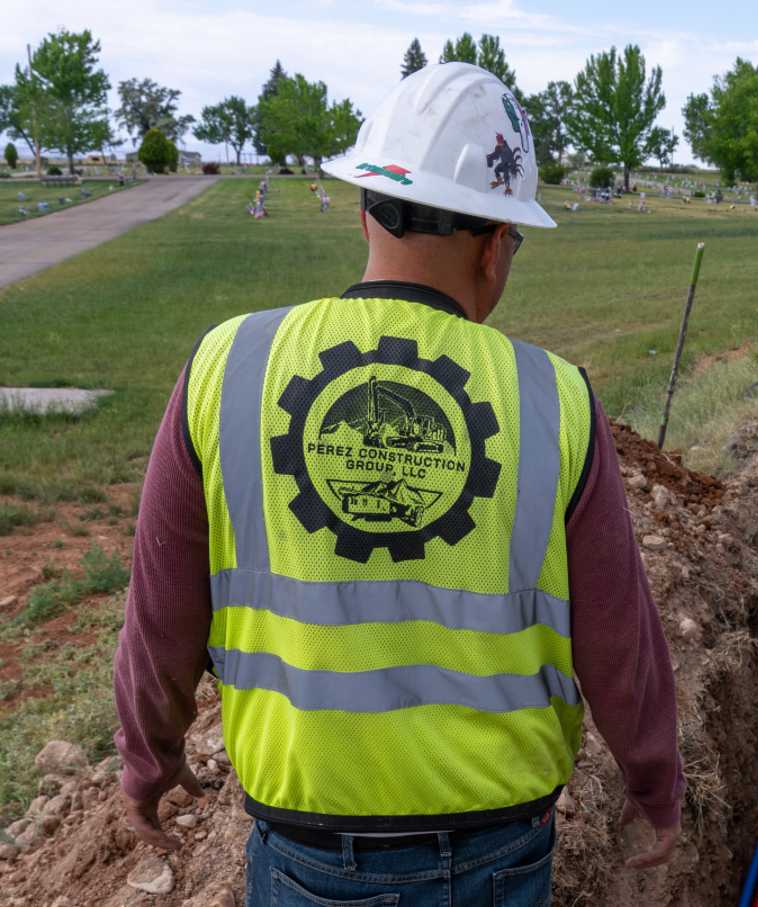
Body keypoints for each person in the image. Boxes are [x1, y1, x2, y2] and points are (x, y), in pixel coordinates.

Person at [113, 62, 684, 904]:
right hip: (494, 849)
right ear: (495, 244)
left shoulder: (227, 365)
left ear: (363, 209)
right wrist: (654, 781)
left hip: (302, 841)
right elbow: (617, 636)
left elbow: (160, 608)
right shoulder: (552, 396)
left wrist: (149, 759)